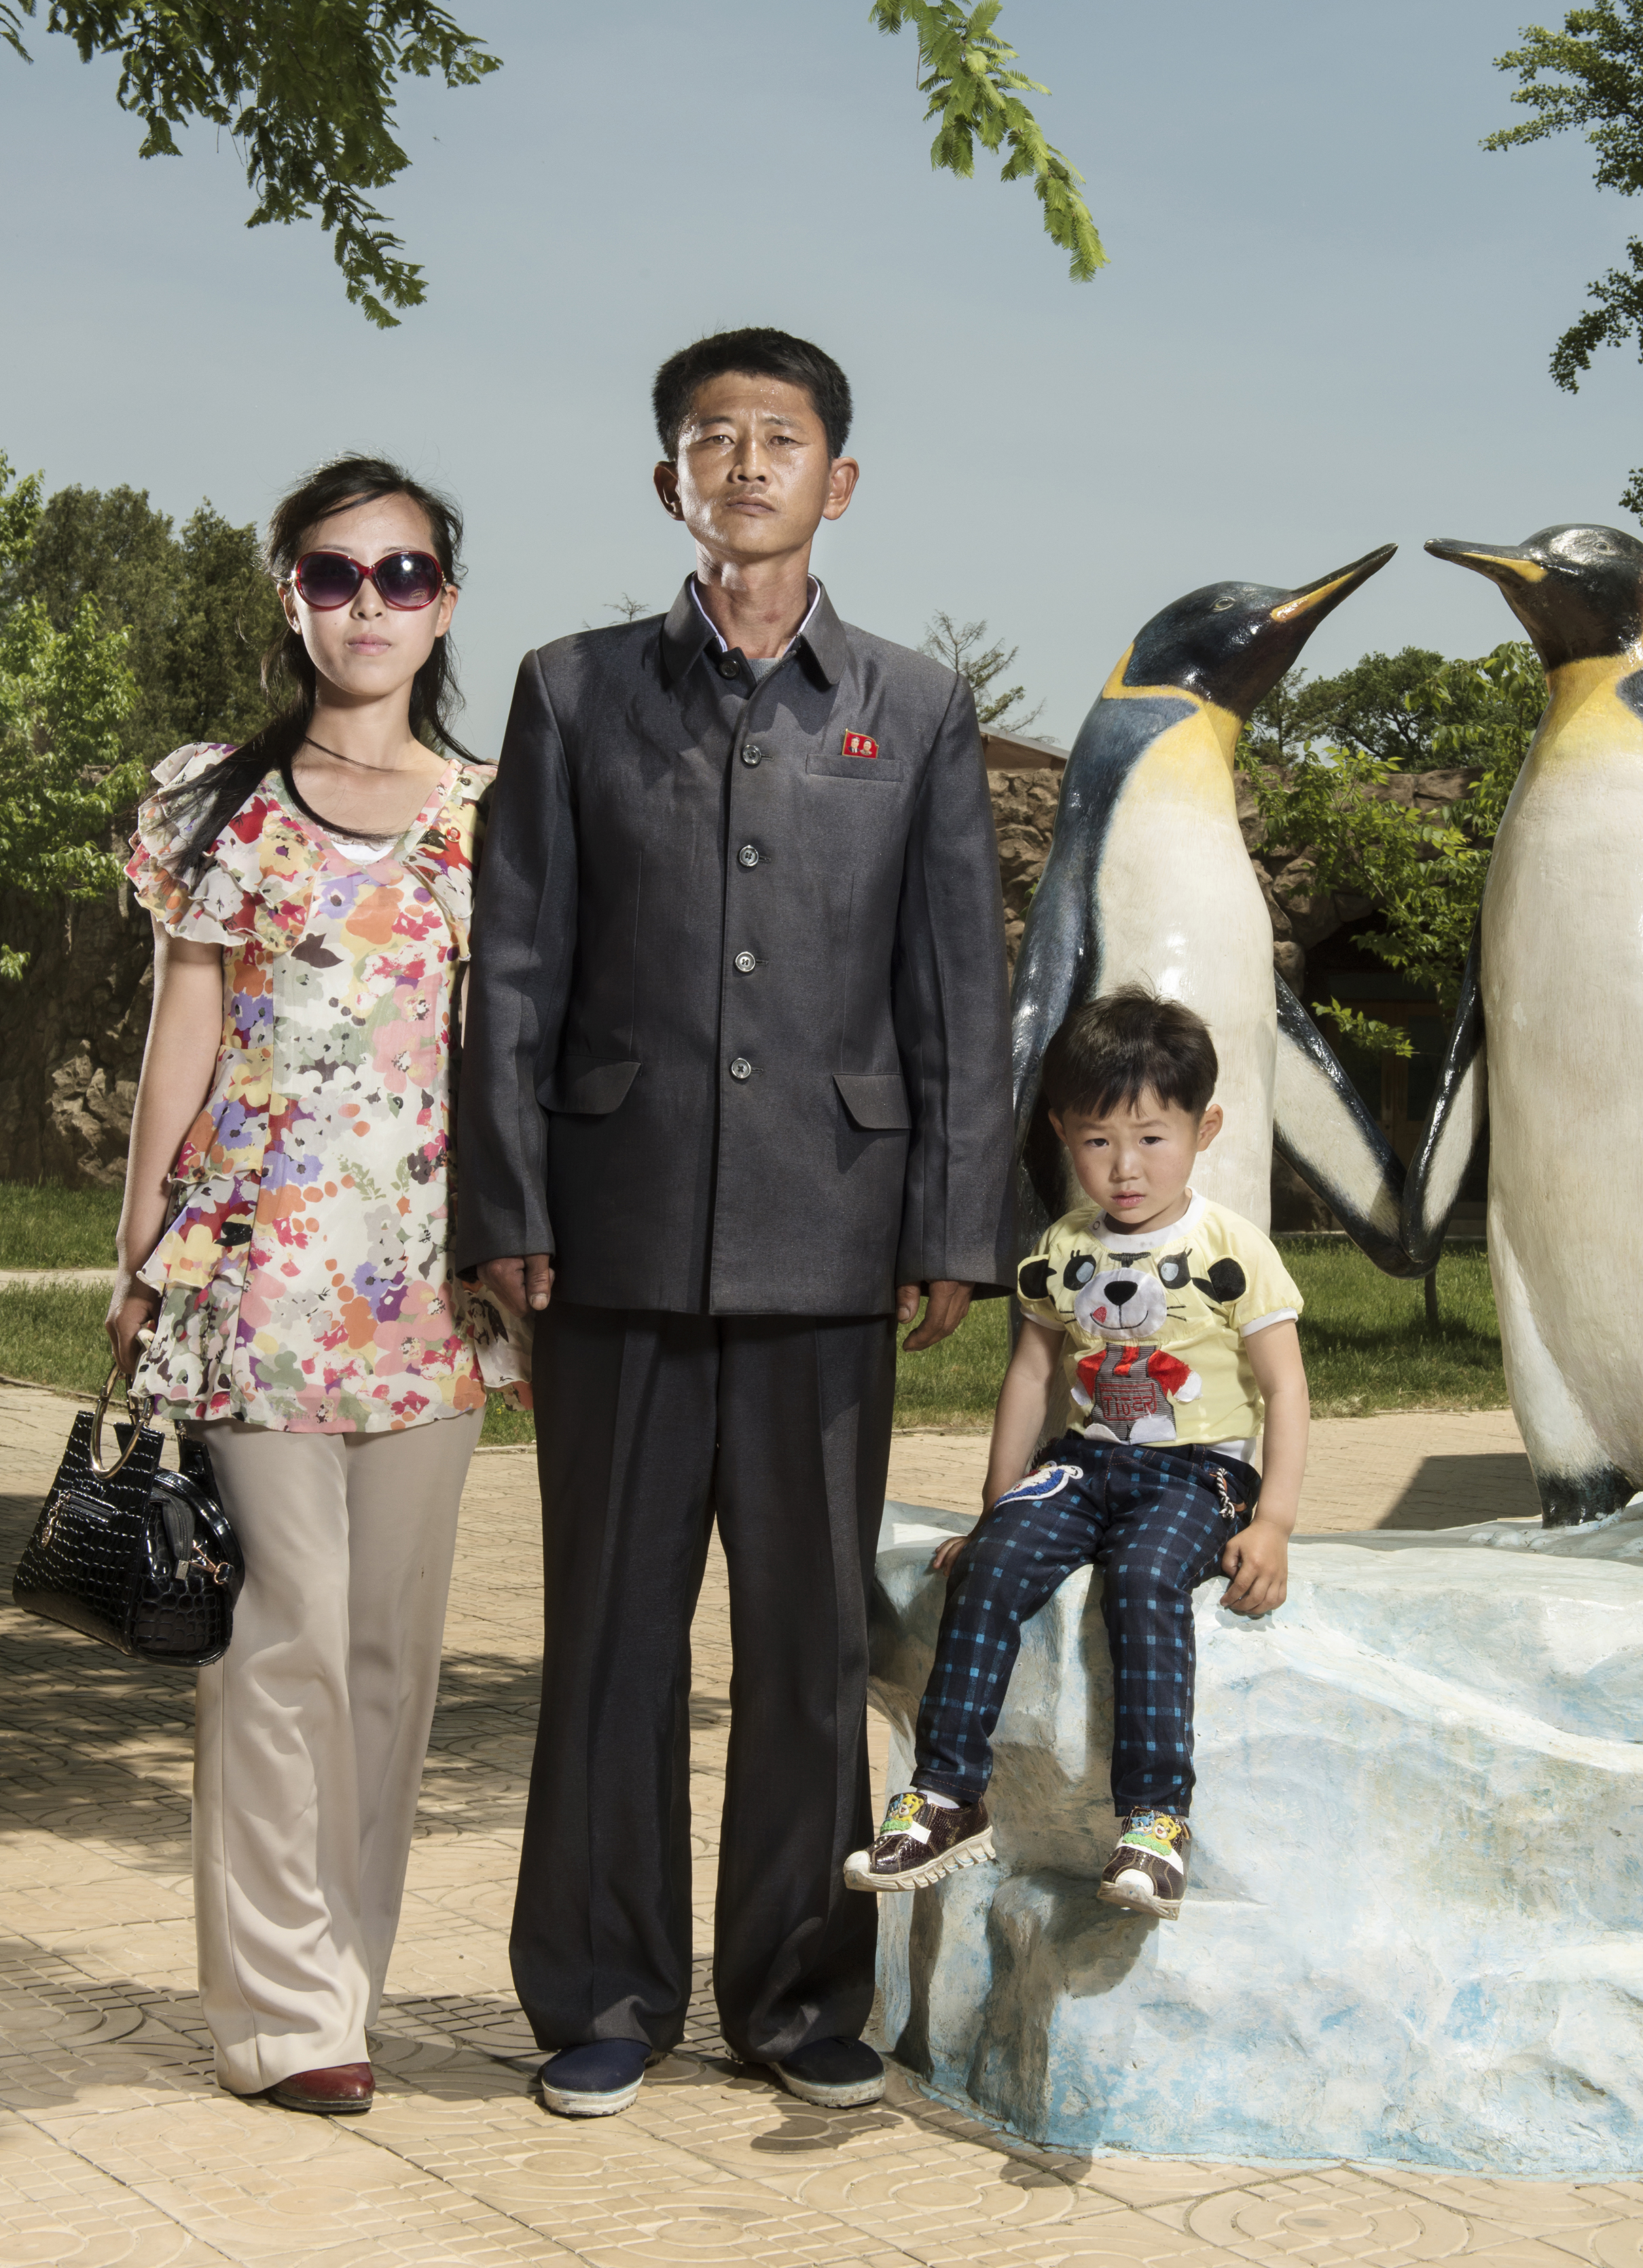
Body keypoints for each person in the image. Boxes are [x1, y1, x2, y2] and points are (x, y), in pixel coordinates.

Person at [458, 326, 1013, 2119]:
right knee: (609, 1638)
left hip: (834, 1246)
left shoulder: (916, 710)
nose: (749, 461)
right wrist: (509, 1205)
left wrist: (951, 1221)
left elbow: (955, 987)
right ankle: (603, 1998)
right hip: (607, 1243)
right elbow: (515, 976)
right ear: (668, 483)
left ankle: (794, 1998)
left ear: (836, 480)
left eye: (782, 438)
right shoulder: (570, 692)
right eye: (714, 437)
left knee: (802, 1649)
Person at [107, 456, 524, 2116]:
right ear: (290, 594)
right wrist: (137, 1250)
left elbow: (514, 1047)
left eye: (404, 573)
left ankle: (347, 1972)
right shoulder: (210, 795)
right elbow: (181, 1036)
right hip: (252, 1270)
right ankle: (285, 2013)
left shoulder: (499, 806)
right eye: (335, 574)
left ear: (445, 598)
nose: (370, 604)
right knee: (279, 1634)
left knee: (388, 1653)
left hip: (432, 1290)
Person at [846, 987, 1310, 1920]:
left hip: (1200, 1473)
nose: (1125, 1167)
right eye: (1099, 1140)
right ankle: (946, 1796)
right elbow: (1029, 1376)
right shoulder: (1060, 1250)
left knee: (1142, 1582)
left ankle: (1153, 1823)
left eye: (1151, 1137)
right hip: (1084, 1462)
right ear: (1062, 1132)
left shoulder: (1231, 1247)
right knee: (996, 1563)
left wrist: (1273, 1522)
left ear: (1204, 1127)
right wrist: (994, 1506)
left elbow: (1286, 1388)